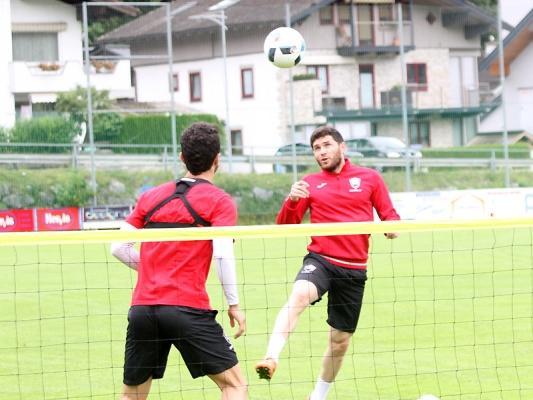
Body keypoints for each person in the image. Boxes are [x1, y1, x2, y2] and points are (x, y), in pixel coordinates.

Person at [255, 126, 399, 400]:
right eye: (316, 148)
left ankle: (317, 396)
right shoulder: (309, 183)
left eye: (326, 145)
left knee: (340, 341)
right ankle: (271, 357)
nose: (321, 152)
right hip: (321, 260)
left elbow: (389, 215)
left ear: (342, 147)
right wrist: (292, 200)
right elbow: (284, 226)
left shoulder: (370, 178)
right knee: (300, 294)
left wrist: (392, 228)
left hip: (354, 268)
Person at [111, 122, 247, 400]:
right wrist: (233, 304)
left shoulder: (150, 196)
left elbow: (118, 248)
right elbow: (222, 254)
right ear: (218, 159)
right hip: (186, 308)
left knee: (132, 395)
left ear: (182, 157)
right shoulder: (220, 201)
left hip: (142, 310)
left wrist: (154, 268)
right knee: (234, 385)